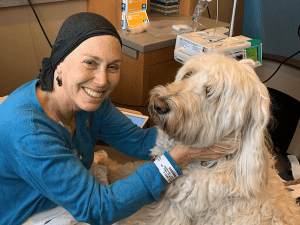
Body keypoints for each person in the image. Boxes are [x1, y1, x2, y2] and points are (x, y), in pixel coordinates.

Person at [0, 12, 224, 225]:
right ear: (60, 62)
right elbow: (98, 208)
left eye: (113, 67)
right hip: (28, 213)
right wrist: (179, 157)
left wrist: (196, 125)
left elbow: (139, 141)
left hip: (71, 197)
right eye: (90, 62)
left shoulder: (89, 102)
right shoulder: (29, 131)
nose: (101, 80)